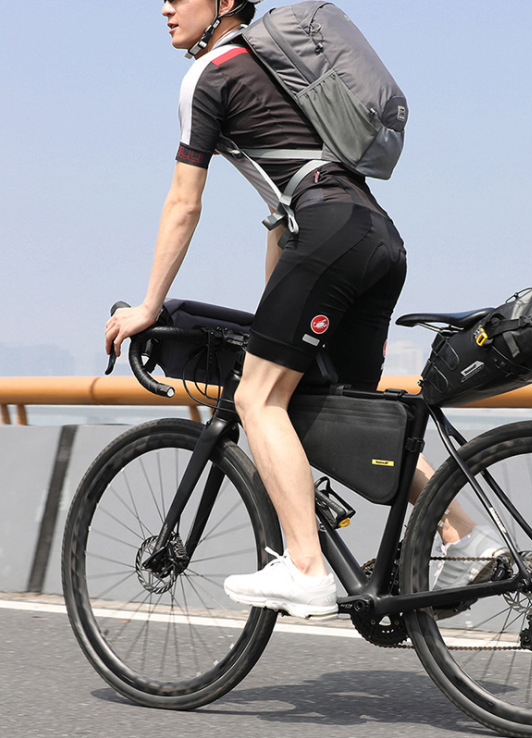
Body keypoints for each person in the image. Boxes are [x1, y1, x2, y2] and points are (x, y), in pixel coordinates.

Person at [105, 0, 499, 621]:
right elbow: (281, 208)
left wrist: (149, 305)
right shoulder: (280, 69)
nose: (165, 7)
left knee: (257, 399)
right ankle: (466, 537)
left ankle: (306, 569)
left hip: (327, 236)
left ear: (224, 4)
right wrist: (276, 320)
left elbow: (184, 202)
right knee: (340, 413)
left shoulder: (210, 73)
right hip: (377, 240)